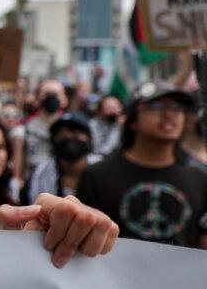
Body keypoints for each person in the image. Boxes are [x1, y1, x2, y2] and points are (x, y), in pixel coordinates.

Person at [76, 82, 207, 249]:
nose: (169, 114)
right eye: (157, 106)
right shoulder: (97, 176)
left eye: (177, 108)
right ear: (132, 120)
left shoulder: (199, 180)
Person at [26, 113, 101, 201]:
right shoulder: (39, 174)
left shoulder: (102, 172)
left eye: (76, 132)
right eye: (62, 134)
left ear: (90, 140)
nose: (70, 137)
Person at [22, 79, 68, 187]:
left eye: (56, 94)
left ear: (64, 100)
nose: (51, 98)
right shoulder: (25, 128)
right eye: (47, 94)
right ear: (37, 99)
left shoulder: (70, 130)